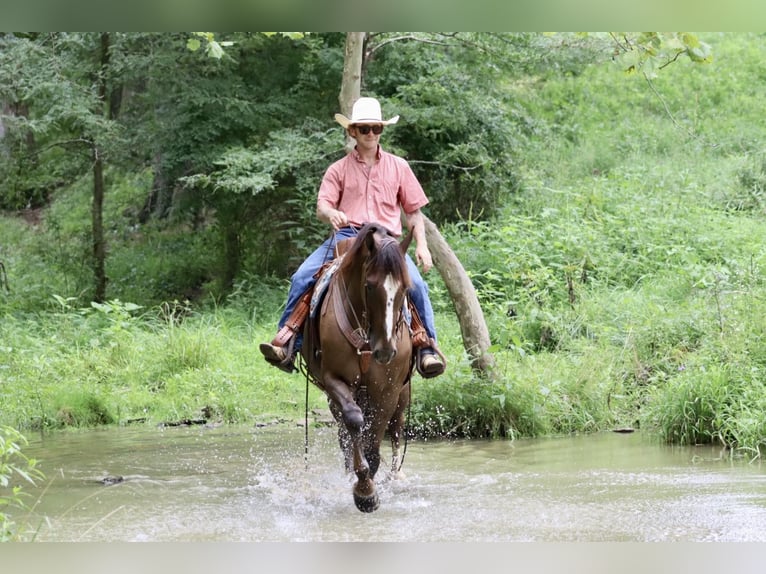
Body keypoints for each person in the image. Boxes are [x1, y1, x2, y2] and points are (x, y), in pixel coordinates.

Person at [259, 96, 445, 378]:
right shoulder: (338, 169)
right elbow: (323, 205)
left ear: (381, 130)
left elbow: (414, 212)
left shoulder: (399, 167)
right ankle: (288, 343)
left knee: (416, 285)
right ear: (353, 131)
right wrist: (331, 213)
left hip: (388, 241)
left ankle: (426, 347)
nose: (371, 134)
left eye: (376, 128)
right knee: (302, 277)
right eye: (365, 128)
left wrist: (422, 245)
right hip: (348, 236)